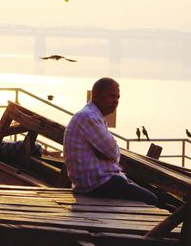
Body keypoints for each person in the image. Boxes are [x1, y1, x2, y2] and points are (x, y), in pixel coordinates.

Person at [63, 77, 157, 205]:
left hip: (94, 181)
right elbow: (113, 152)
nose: (116, 101)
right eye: (112, 96)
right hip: (96, 183)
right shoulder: (89, 117)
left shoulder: (92, 116)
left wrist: (107, 155)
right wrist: (109, 155)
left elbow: (109, 153)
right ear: (95, 96)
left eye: (118, 97)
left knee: (156, 196)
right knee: (151, 199)